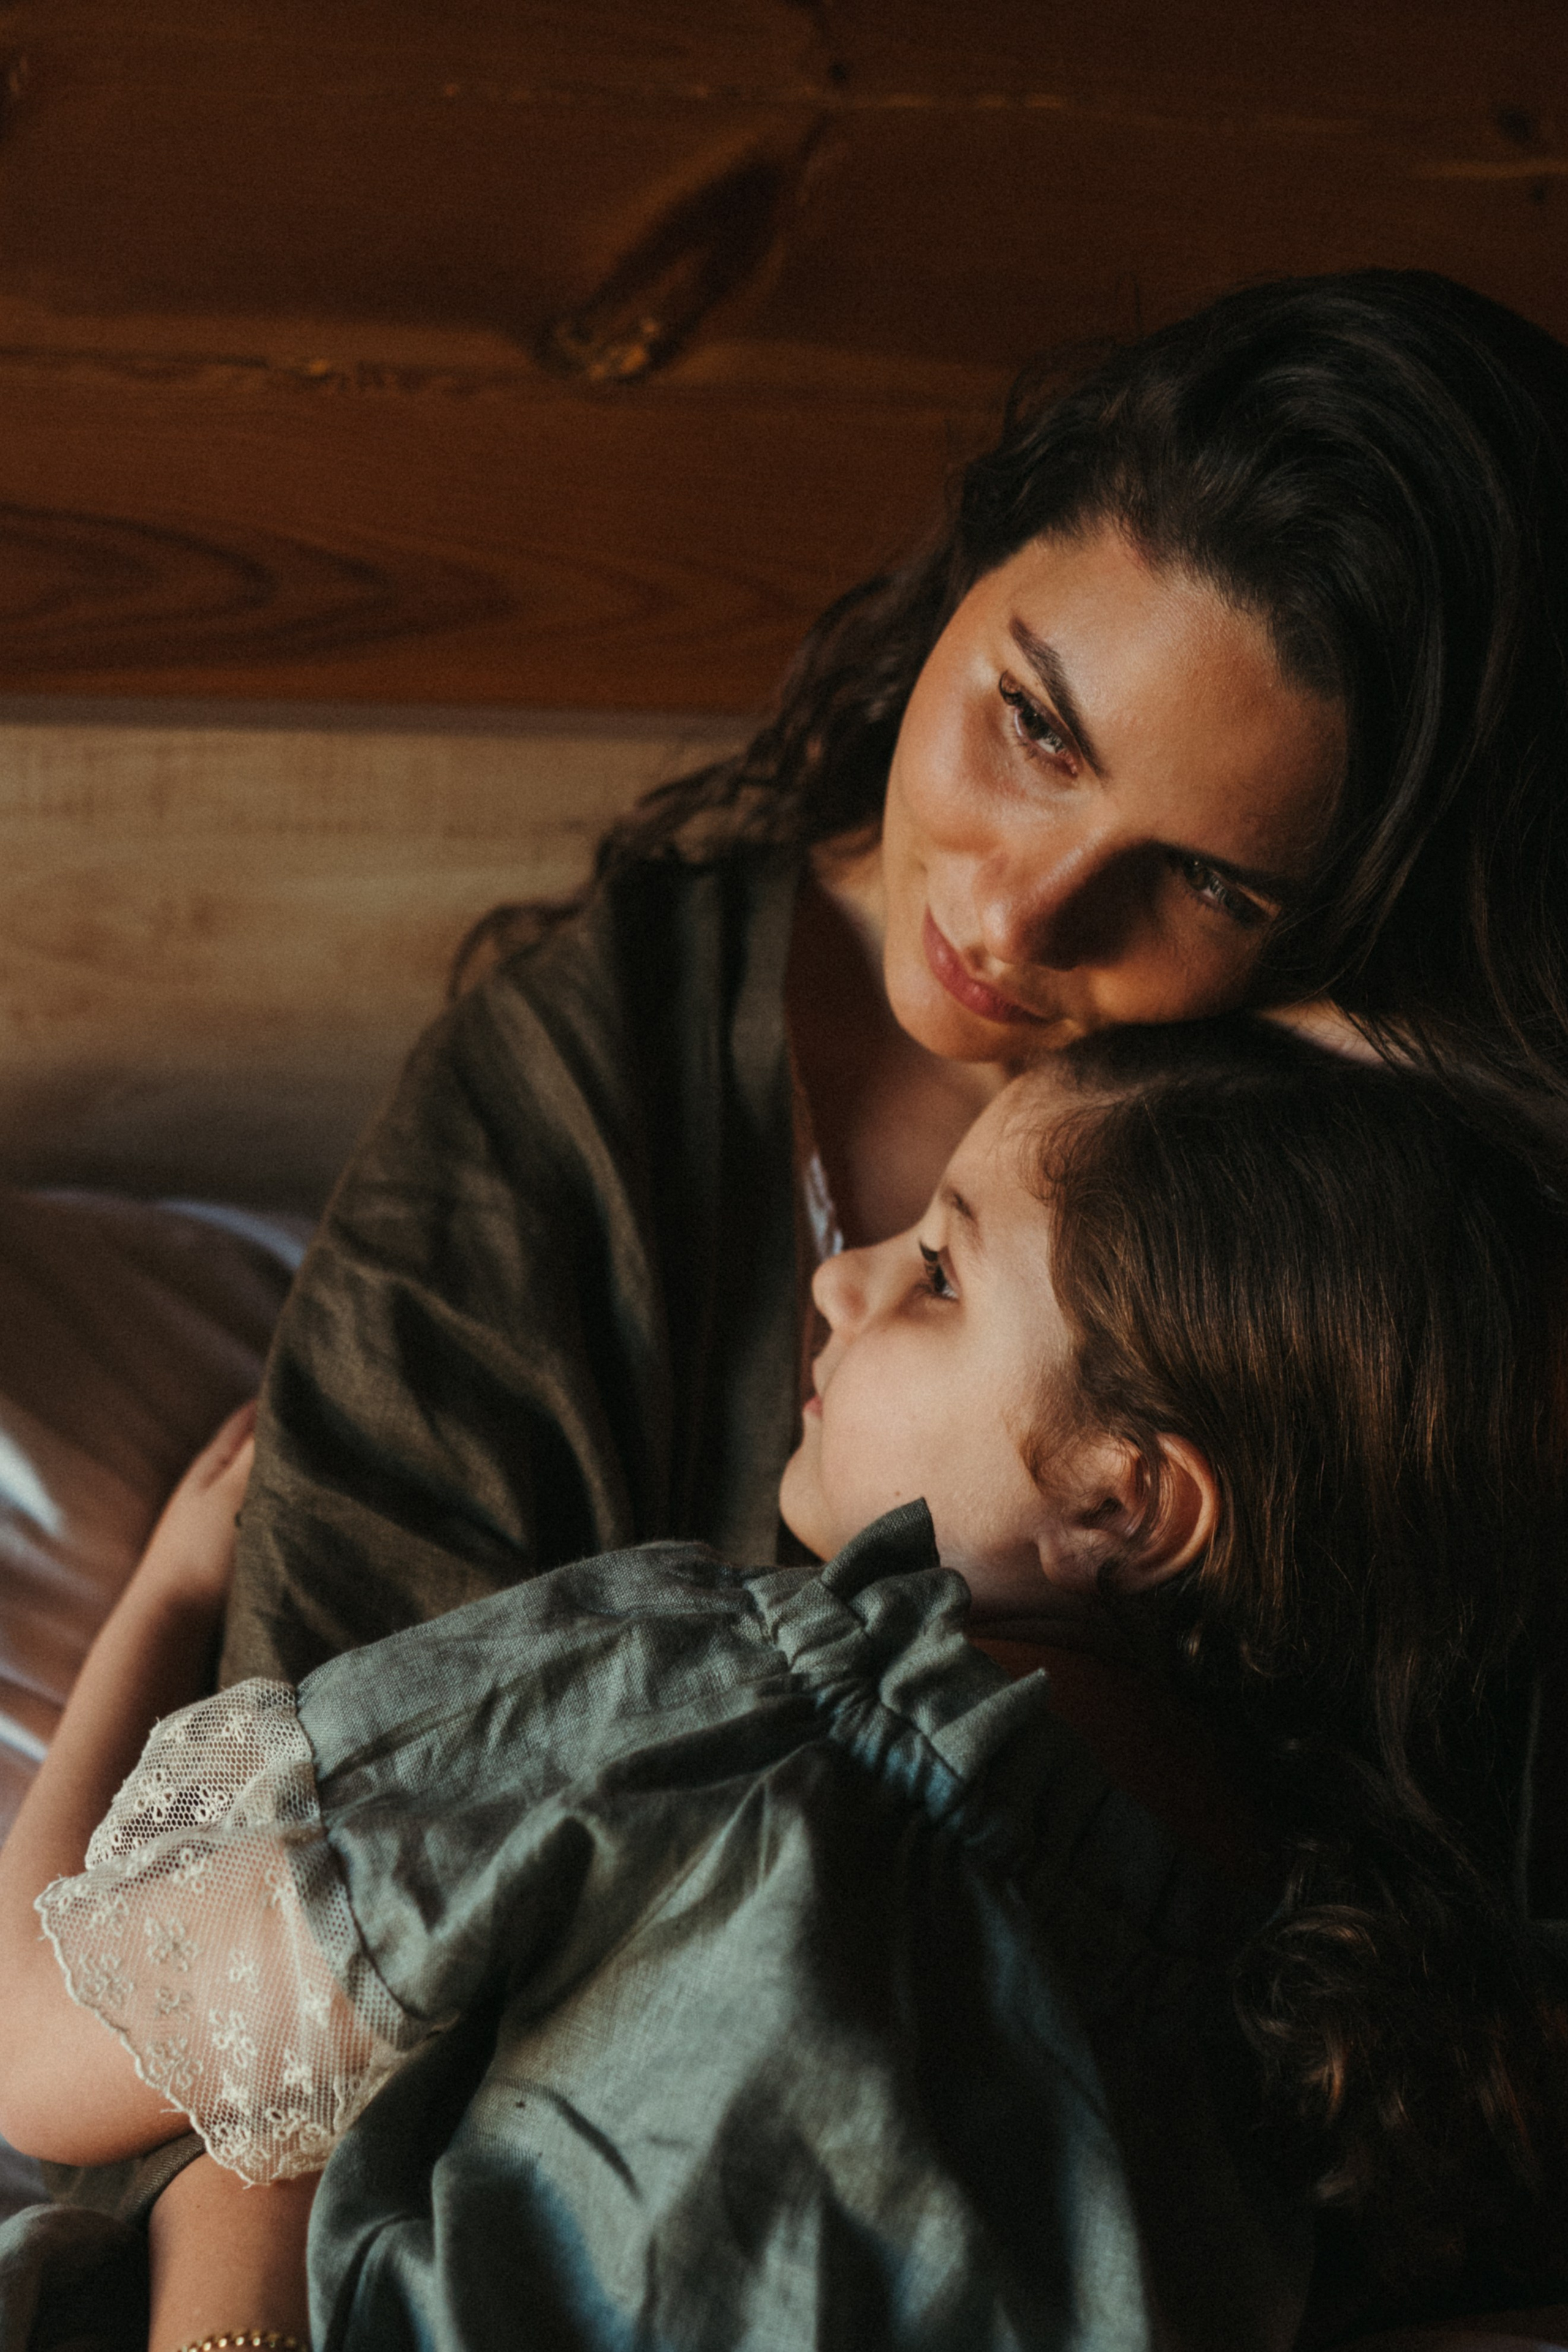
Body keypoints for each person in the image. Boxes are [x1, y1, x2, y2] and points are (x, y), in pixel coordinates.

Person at [39, 268, 1568, 2272]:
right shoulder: (585, 1109)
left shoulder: (1371, 1268)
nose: (1020, 908)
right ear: (972, 566)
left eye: (1208, 878)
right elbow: (239, 2055)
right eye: (1032, 725)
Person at [3, 1023, 1566, 2351]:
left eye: (941, 1270)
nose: (841, 1280)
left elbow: (34, 2057)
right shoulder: (1336, 2053)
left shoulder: (706, 1699)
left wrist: (170, 1594)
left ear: (1121, 1500)